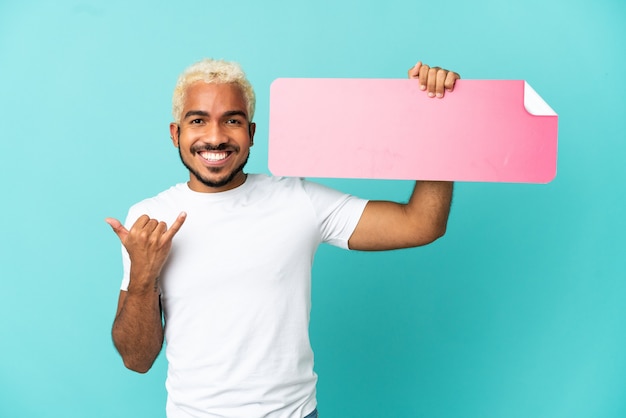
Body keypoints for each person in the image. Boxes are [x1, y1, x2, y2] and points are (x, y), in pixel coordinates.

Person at [106, 58, 460, 418]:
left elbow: (421, 223)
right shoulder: (150, 219)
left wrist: (436, 117)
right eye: (198, 120)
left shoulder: (297, 200)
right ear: (175, 133)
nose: (215, 137)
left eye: (232, 120)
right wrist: (143, 278)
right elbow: (137, 359)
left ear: (252, 133)